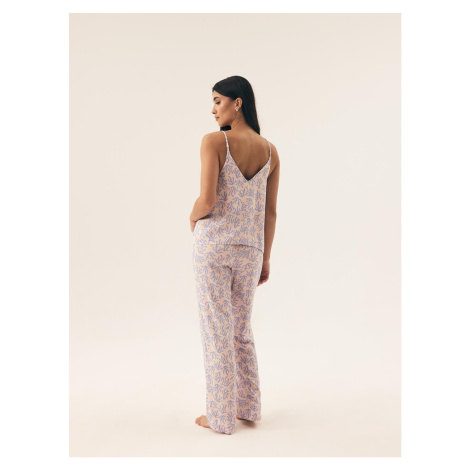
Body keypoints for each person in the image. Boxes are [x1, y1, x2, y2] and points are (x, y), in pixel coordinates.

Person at [189, 76, 280, 434]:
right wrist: (265, 258)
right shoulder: (271, 152)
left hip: (213, 245)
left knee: (217, 329)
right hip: (250, 250)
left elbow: (207, 199)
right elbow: (269, 212)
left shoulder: (214, 142)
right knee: (240, 329)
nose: (213, 110)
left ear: (237, 102)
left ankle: (220, 416)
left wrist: (192, 216)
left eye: (218, 101)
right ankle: (249, 408)